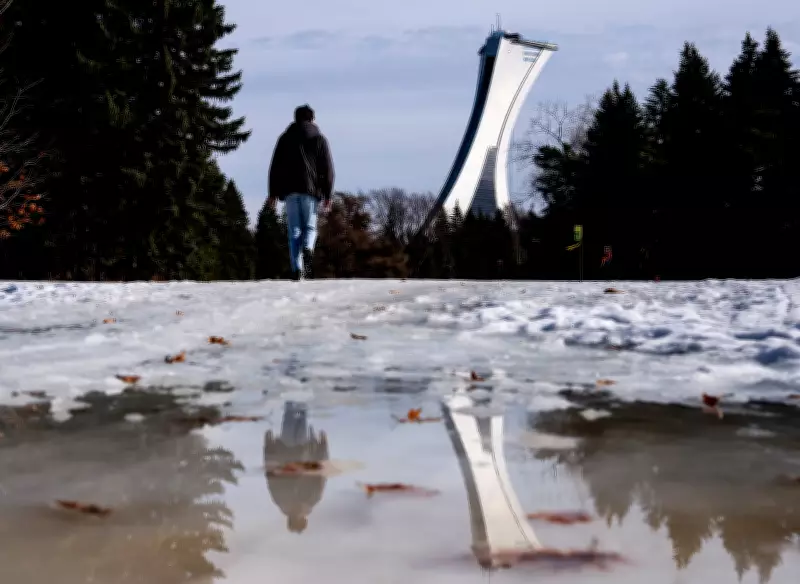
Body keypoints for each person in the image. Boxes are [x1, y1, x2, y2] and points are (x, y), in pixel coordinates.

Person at [267, 104, 335, 281]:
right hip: (311, 191)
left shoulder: (284, 138)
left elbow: (275, 167)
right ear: (312, 119)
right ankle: (308, 249)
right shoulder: (320, 139)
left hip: (289, 190)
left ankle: (296, 269)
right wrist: (328, 194)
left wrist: (273, 193)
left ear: (295, 118)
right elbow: (327, 169)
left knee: (294, 230)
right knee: (310, 227)